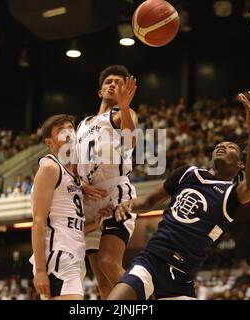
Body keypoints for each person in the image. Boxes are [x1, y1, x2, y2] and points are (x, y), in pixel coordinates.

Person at [108, 92, 250, 300]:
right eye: (220, 144)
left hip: (181, 280)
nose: (222, 146)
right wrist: (128, 205)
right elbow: (149, 201)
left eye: (230, 147)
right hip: (151, 260)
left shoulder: (231, 195)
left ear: (240, 164)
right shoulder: (187, 173)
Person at [75, 65, 139, 298]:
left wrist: (124, 104)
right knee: (102, 280)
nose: (113, 84)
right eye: (108, 81)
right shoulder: (82, 125)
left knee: (109, 261)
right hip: (89, 202)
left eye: (119, 82)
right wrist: (81, 185)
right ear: (100, 91)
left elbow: (130, 141)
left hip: (116, 195)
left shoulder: (124, 113)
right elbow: (74, 164)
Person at [29, 114, 108, 300]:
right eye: (61, 130)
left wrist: (93, 225)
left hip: (74, 254)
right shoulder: (50, 167)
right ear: (50, 142)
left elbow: (63, 222)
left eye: (70, 128)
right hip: (59, 256)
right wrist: (40, 271)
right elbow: (38, 221)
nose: (68, 133)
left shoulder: (73, 174)